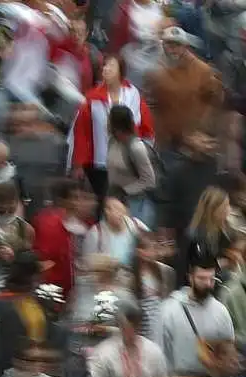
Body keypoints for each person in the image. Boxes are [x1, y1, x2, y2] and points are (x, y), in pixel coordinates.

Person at [71, 55, 154, 212]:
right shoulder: (92, 98)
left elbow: (145, 129)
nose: (106, 69)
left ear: (120, 70)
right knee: (106, 206)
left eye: (111, 66)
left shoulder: (133, 95)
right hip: (100, 163)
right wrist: (79, 164)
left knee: (126, 206)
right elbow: (81, 132)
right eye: (104, 66)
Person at [157, 252, 236, 375]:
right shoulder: (169, 310)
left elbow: (228, 352)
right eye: (202, 278)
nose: (208, 284)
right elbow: (160, 351)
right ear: (190, 277)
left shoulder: (221, 311)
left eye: (212, 279)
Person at [146, 26, 223, 150]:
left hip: (198, 143)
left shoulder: (201, 70)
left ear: (185, 46)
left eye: (177, 45)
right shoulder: (154, 73)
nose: (172, 49)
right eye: (169, 44)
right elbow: (152, 106)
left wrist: (202, 131)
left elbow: (215, 101)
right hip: (167, 141)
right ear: (163, 45)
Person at [32, 180, 88, 298]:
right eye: (75, 198)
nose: (79, 202)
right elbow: (43, 258)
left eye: (81, 198)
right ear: (63, 200)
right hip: (51, 288)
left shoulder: (84, 225)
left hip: (74, 287)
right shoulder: (47, 223)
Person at [105, 104, 157, 228]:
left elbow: (149, 180)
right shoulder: (112, 142)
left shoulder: (136, 147)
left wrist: (125, 191)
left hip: (135, 205)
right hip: (115, 201)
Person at [82, 188, 146, 267]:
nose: (112, 213)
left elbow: (150, 248)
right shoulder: (95, 233)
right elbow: (86, 264)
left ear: (126, 209)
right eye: (108, 208)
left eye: (117, 208)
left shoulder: (136, 225)